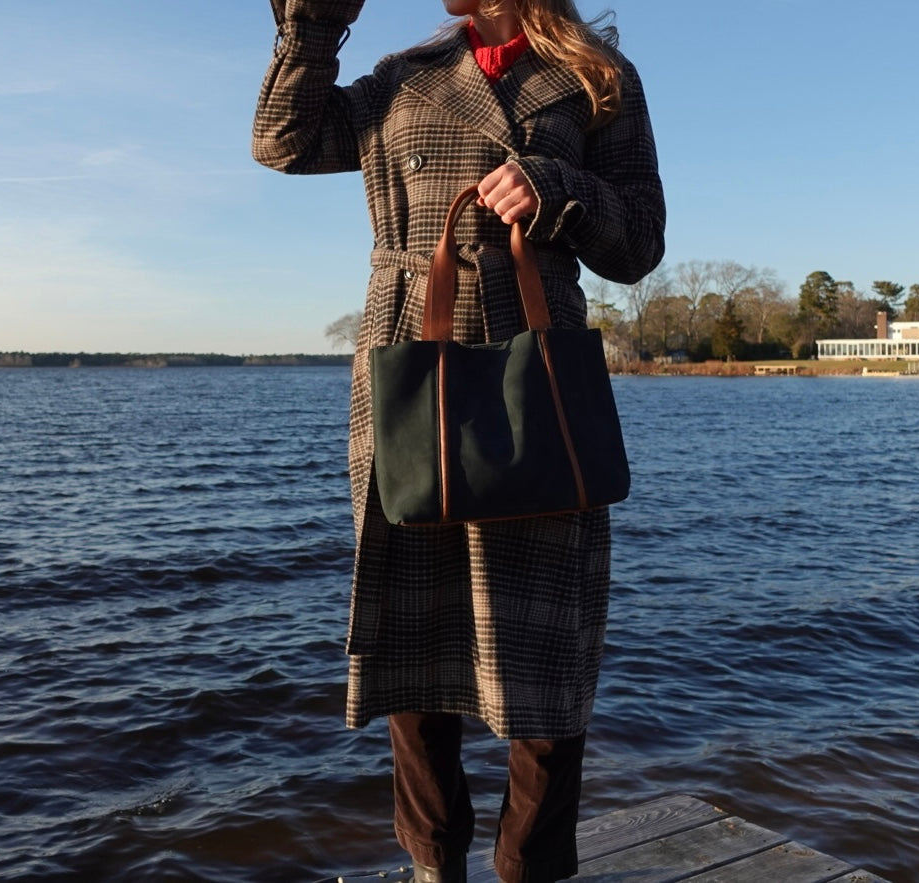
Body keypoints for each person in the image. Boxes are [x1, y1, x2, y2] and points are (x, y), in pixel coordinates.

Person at [252, 1, 664, 880]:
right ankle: (432, 865)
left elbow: (640, 242)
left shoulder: (598, 78)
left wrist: (561, 190)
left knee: (550, 644)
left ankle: (532, 867)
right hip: (412, 361)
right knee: (414, 640)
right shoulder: (404, 76)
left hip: (537, 374)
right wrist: (314, 26)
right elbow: (284, 143)